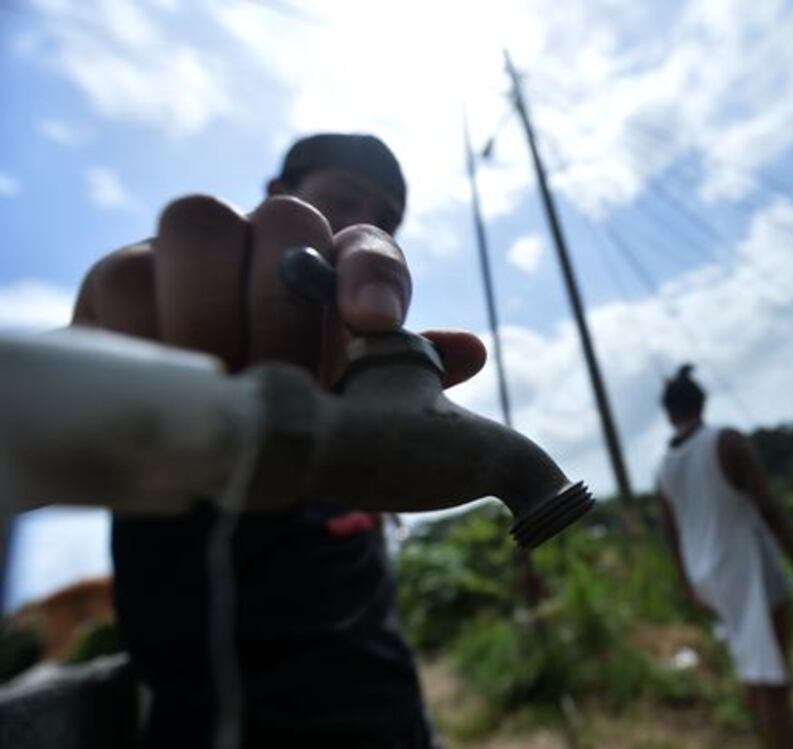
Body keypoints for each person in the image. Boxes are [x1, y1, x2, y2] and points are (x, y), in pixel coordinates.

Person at [71, 133, 486, 749]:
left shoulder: (355, 405)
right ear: (277, 196)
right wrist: (111, 362)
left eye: (386, 221)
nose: (363, 231)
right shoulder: (200, 384)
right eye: (343, 201)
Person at [655, 365, 793, 749]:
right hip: (749, 569)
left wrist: (687, 583)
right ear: (701, 402)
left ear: (669, 413)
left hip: (710, 580)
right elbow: (768, 509)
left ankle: (768, 737)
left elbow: (671, 532)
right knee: (774, 679)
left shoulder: (664, 468)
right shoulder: (727, 441)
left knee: (754, 670)